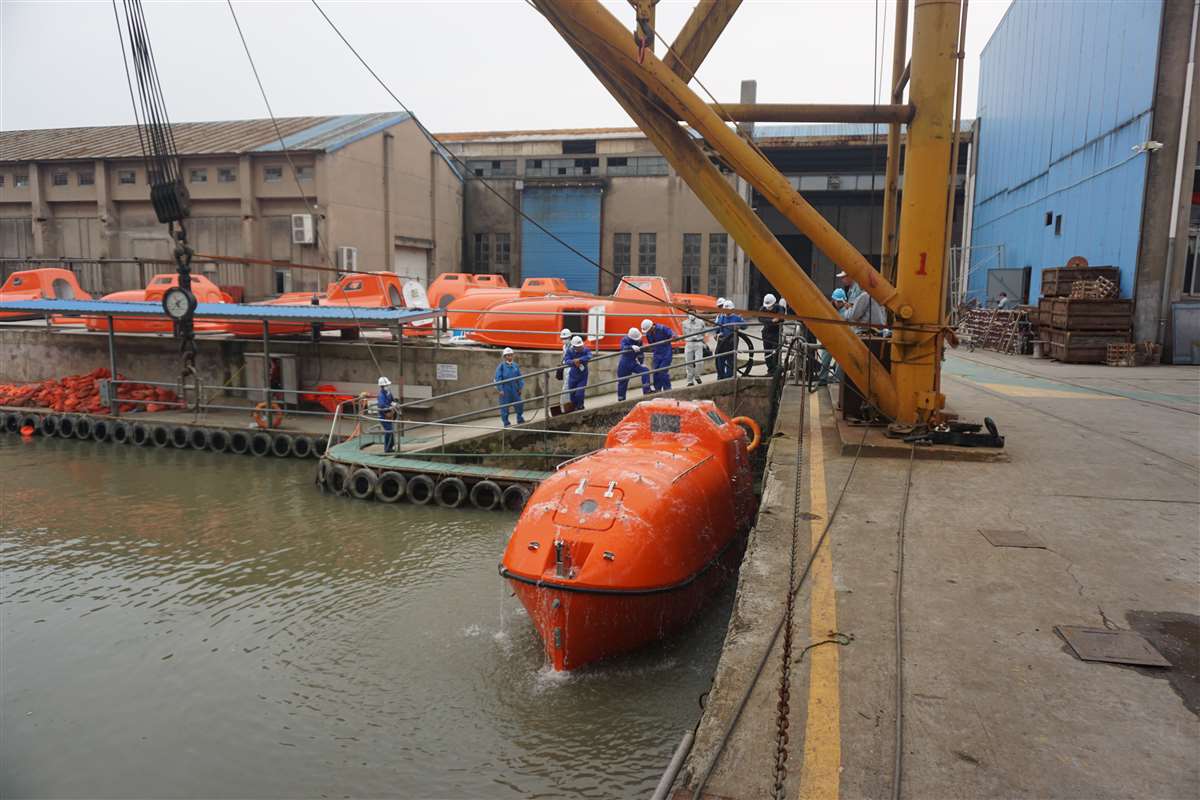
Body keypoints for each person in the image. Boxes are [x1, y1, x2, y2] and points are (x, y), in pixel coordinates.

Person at [616, 327, 651, 401]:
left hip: (632, 362)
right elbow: (623, 347)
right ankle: (621, 400)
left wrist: (641, 363)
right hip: (624, 363)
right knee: (622, 381)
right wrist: (631, 347)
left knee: (645, 371)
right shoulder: (625, 339)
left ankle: (646, 390)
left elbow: (640, 353)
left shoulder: (639, 341)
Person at [494, 347, 526, 427]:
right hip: (505, 388)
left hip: (515, 388)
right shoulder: (501, 367)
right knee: (505, 406)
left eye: (511, 355)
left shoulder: (515, 366)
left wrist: (520, 387)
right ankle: (506, 422)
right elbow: (498, 378)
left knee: (519, 404)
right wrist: (500, 389)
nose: (509, 357)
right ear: (504, 357)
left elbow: (519, 377)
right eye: (507, 355)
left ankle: (520, 418)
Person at [714, 299, 745, 380]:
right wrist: (717, 334)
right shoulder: (721, 317)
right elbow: (717, 328)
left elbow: (745, 326)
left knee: (731, 360)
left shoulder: (736, 318)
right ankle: (721, 377)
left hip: (732, 342)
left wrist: (740, 324)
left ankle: (729, 377)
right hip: (722, 342)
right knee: (720, 359)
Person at [641, 317, 674, 392]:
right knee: (655, 371)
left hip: (666, 353)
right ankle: (657, 389)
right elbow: (651, 343)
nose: (648, 332)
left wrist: (673, 336)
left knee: (663, 371)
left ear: (652, 327)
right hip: (657, 353)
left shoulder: (662, 328)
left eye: (648, 330)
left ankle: (667, 389)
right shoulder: (648, 333)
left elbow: (671, 333)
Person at [563, 335, 591, 411]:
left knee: (580, 392)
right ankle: (574, 407)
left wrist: (580, 360)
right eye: (578, 347)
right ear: (574, 347)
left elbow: (589, 356)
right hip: (573, 375)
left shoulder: (585, 350)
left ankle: (580, 406)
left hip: (583, 375)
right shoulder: (570, 351)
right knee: (572, 392)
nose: (580, 348)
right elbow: (566, 360)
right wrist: (573, 362)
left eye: (580, 346)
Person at [758, 293, 783, 375]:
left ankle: (776, 370)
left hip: (776, 334)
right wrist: (771, 320)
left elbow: (781, 318)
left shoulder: (779, 308)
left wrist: (775, 319)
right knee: (767, 353)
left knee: (776, 352)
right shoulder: (762, 309)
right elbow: (760, 318)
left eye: (770, 306)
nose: (768, 308)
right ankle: (770, 370)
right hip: (766, 334)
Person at [682, 305, 707, 386]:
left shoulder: (701, 322)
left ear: (695, 314)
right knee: (688, 362)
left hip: (698, 343)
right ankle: (690, 380)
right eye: (689, 313)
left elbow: (704, 332)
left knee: (699, 361)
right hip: (689, 343)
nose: (691, 315)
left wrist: (702, 341)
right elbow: (684, 334)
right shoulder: (684, 323)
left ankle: (697, 376)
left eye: (693, 313)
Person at [377, 376, 397, 453]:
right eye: (387, 385)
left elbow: (392, 400)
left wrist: (394, 403)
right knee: (389, 430)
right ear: (383, 386)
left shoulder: (388, 393)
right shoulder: (381, 395)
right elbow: (381, 405)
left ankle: (391, 447)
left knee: (390, 430)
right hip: (383, 416)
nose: (388, 386)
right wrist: (389, 407)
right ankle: (387, 448)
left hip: (388, 415)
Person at [555, 328, 571, 409]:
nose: (564, 340)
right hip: (565, 367)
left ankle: (564, 404)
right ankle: (564, 404)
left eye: (565, 338)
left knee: (567, 386)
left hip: (571, 367)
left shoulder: (573, 346)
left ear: (570, 337)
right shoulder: (564, 347)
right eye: (563, 338)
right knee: (565, 385)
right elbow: (564, 356)